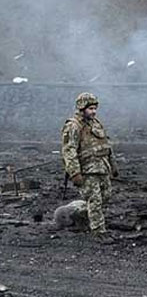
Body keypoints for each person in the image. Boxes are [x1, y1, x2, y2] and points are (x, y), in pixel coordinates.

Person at [61, 92, 118, 239]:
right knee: (95, 200)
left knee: (106, 196)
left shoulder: (96, 123)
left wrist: (113, 165)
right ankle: (99, 232)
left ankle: (80, 216)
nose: (93, 111)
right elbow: (69, 150)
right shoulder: (73, 126)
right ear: (82, 108)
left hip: (102, 167)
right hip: (87, 170)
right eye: (90, 108)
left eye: (95, 108)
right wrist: (75, 173)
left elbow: (106, 145)